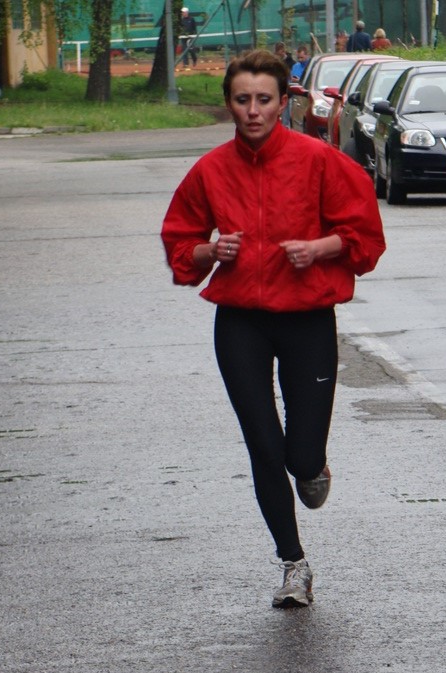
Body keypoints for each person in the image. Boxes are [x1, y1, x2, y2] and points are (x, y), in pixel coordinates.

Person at [161, 50, 385, 609]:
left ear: (284, 102)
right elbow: (181, 243)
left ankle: (312, 466)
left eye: (264, 99)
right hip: (241, 322)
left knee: (299, 458)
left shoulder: (320, 161)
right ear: (229, 105)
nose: (254, 110)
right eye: (243, 100)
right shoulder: (211, 170)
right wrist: (211, 250)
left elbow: (365, 237)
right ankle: (293, 565)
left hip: (307, 318)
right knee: (263, 444)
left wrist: (319, 248)